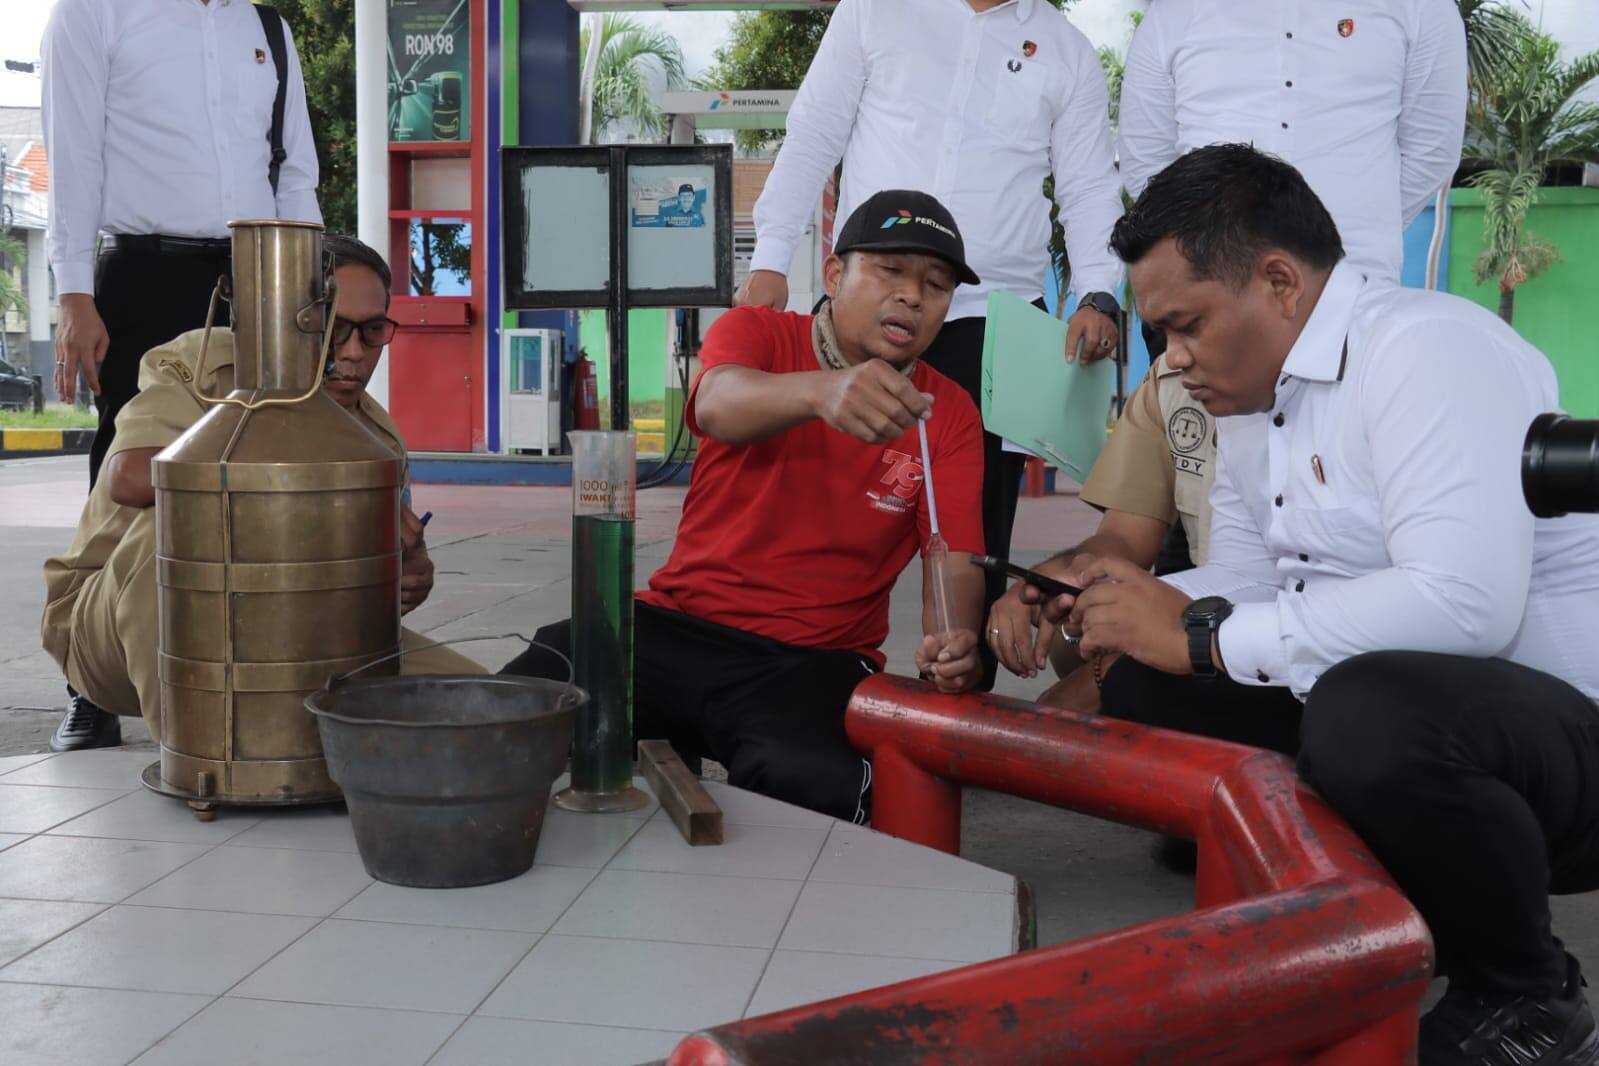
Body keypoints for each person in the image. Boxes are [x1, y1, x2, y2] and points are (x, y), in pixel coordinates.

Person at [1033, 144, 1599, 1066]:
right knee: (1146, 678)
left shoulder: (1427, 348)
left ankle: (1528, 995)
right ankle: (1345, 911)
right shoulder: (1252, 399)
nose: (1172, 361)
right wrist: (1109, 599)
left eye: (1185, 326)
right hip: (1425, 727)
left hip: (1559, 755)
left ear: (1280, 282)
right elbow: (1251, 577)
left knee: (1366, 710)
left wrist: (1204, 637)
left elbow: (1463, 607)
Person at [504, 191, 988, 822]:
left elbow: (949, 554)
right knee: (519, 702)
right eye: (890, 272)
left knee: (818, 785)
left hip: (813, 661)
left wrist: (952, 642)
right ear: (837, 275)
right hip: (678, 627)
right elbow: (716, 404)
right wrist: (822, 392)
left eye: (936, 285)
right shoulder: (757, 331)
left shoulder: (946, 412)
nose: (913, 297)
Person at [738, 0, 1126, 689]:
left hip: (995, 322)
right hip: (866, 308)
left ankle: (954, 699)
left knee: (971, 528)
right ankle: (790, 669)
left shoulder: (1065, 49)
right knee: (820, 496)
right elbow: (814, 133)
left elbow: (1089, 182)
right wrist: (769, 255)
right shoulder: (873, 11)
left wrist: (1097, 291)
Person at [40, 236, 481, 748]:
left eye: (373, 331)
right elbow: (130, 477)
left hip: (286, 629)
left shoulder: (375, 439)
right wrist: (299, 489)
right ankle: (202, 764)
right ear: (287, 320)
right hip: (110, 629)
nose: (356, 353)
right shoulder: (204, 365)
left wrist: (405, 573)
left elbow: (354, 594)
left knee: (482, 708)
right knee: (180, 529)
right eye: (335, 329)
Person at [41, 0, 322, 749]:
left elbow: (296, 172)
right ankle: (91, 686)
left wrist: (306, 287)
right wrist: (73, 292)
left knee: (263, 461)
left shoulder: (265, 28)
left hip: (260, 282)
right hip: (144, 276)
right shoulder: (94, 14)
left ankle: (258, 660)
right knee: (124, 473)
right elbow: (72, 152)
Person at [986, 350, 1214, 711]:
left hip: (1277, 638)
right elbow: (1125, 533)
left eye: (1189, 322)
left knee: (1078, 706)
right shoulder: (1170, 376)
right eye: (1162, 329)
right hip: (1220, 615)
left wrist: (1108, 675)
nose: (1176, 352)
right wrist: (1067, 572)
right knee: (1073, 625)